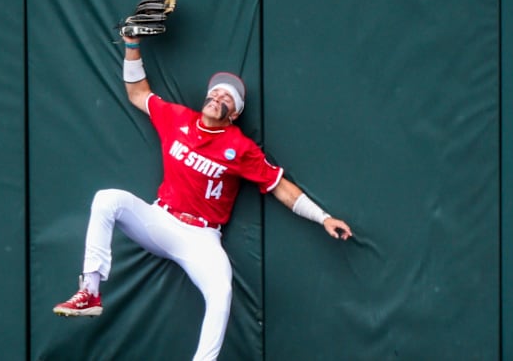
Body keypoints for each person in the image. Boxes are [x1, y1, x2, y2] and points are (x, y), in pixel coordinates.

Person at [53, 35, 353, 361]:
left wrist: (323, 217)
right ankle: (91, 293)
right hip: (160, 220)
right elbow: (138, 93)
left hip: (201, 236)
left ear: (234, 113)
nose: (217, 95)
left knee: (221, 290)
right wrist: (132, 45)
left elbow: (281, 187)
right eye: (215, 91)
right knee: (107, 198)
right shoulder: (177, 118)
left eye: (228, 96)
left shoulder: (240, 148)